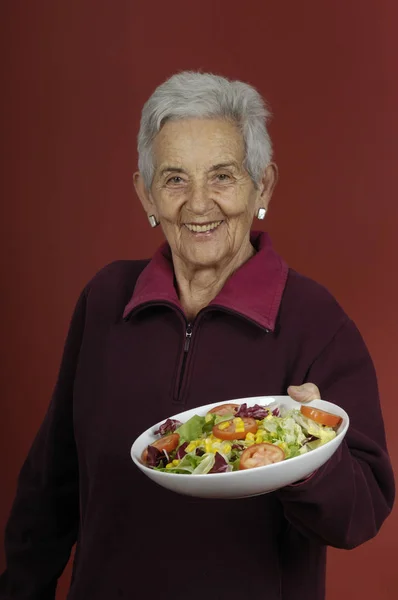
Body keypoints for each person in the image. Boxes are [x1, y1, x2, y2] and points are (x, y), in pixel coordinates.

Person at [0, 70, 395, 600]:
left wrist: (308, 455)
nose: (199, 203)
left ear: (264, 186)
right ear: (146, 195)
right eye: (175, 178)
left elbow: (361, 513)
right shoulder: (105, 300)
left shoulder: (315, 321)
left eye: (223, 176)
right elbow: (52, 483)